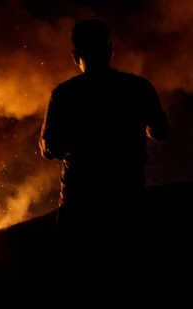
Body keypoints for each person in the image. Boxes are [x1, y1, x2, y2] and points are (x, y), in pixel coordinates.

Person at [39, 19, 168, 308]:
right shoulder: (137, 87)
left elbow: (49, 148)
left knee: (78, 284)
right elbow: (161, 131)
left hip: (78, 205)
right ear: (110, 50)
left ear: (75, 55)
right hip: (126, 201)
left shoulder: (65, 93)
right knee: (126, 283)